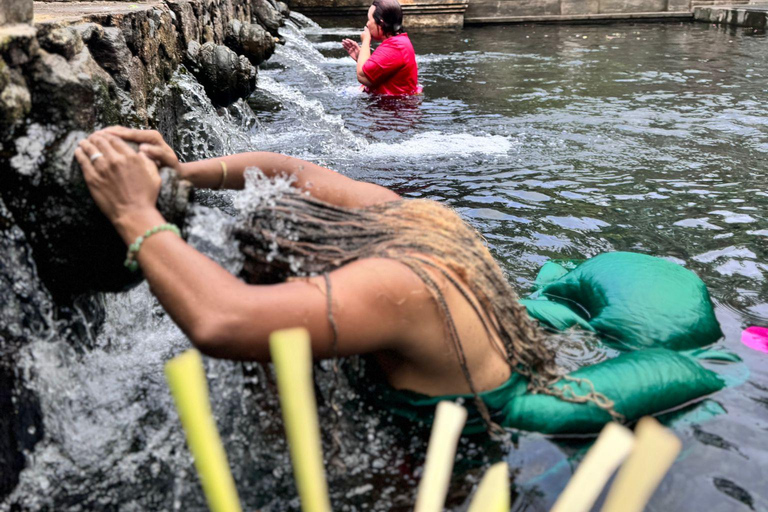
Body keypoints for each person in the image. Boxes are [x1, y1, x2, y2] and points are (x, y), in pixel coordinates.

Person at [74, 127, 611, 433]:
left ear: (317, 268)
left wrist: (135, 215)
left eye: (278, 284)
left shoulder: (393, 288)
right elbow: (291, 171)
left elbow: (221, 320)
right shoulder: (390, 214)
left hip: (458, 453)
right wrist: (187, 171)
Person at [341, 0, 420, 96]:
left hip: (393, 108)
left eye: (369, 20)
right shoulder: (398, 42)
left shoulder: (395, 46)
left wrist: (366, 40)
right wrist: (360, 57)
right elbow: (378, 74)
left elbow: (363, 77)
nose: (367, 24)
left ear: (381, 23)